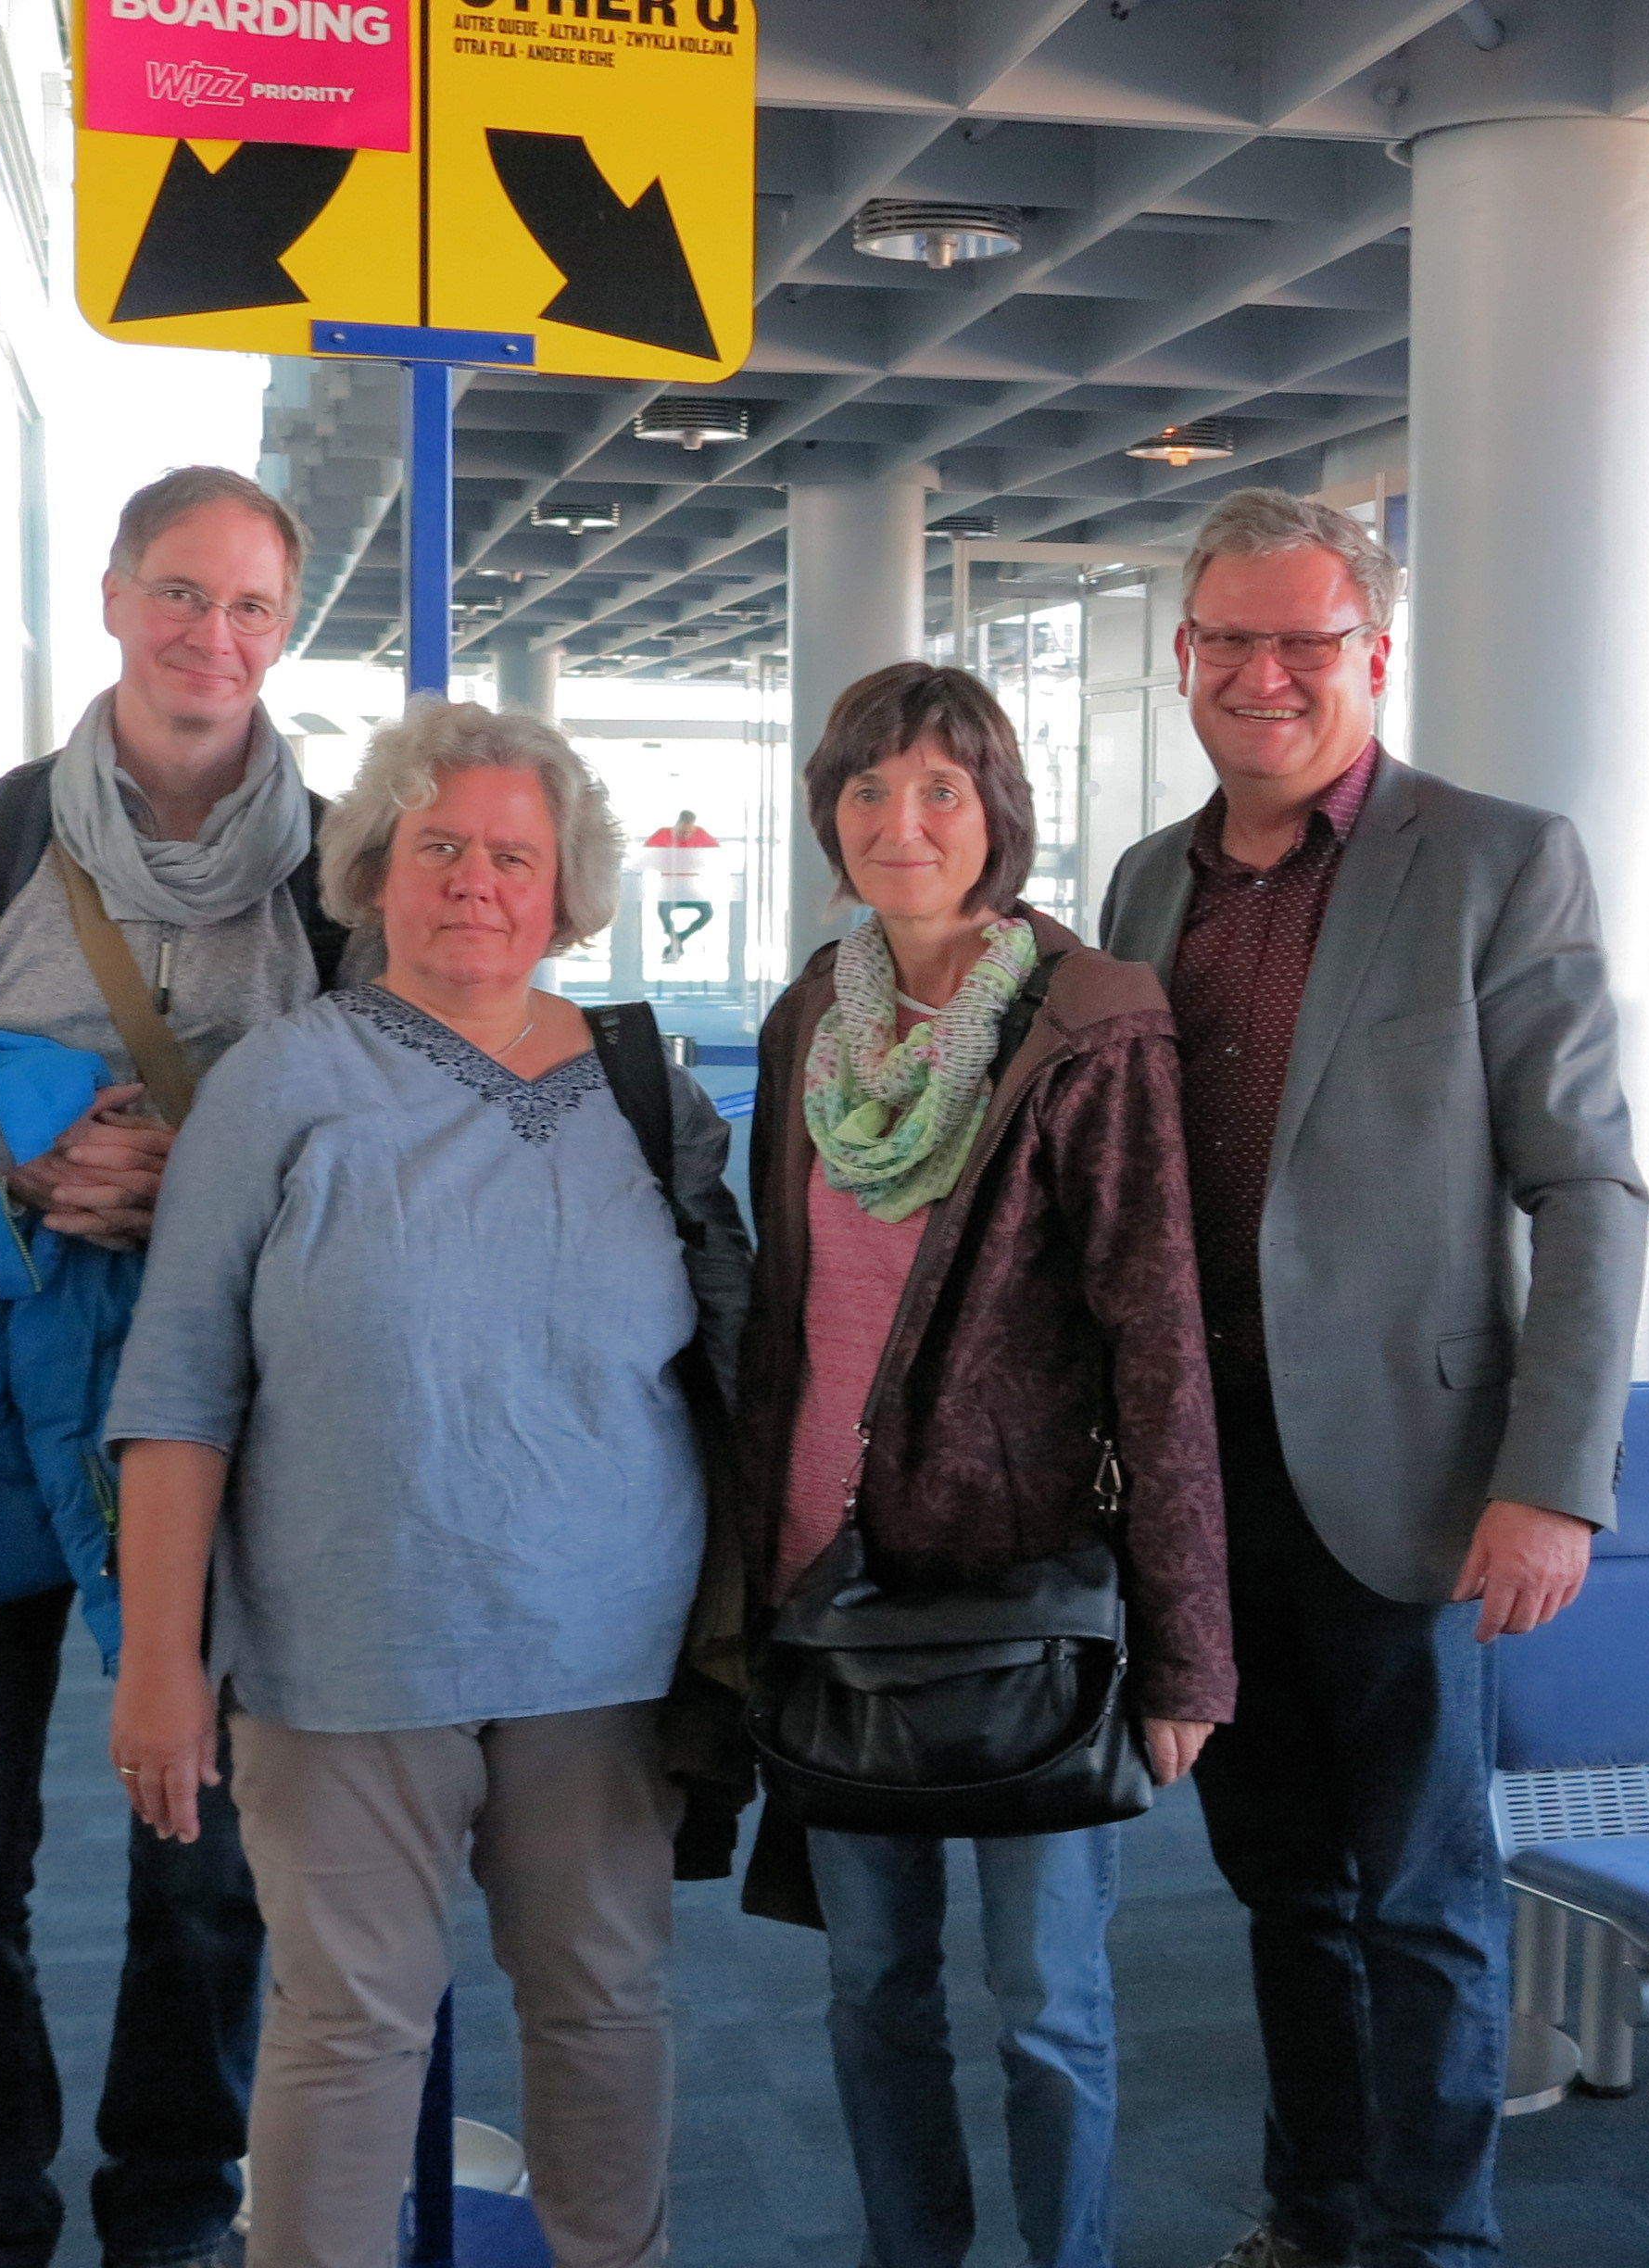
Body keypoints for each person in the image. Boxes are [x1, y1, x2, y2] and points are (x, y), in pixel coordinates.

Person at [100, 699, 747, 2268]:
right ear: (373, 871)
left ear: (566, 887)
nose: (474, 880)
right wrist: (160, 1661)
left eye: (513, 855)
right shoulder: (278, 1083)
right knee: (347, 2028)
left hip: (603, 1654)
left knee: (606, 2006)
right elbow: (178, 1388)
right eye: (437, 845)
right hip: (346, 1656)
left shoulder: (645, 1092)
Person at [1098, 489, 1649, 2268]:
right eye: (1229, 641)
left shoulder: (1495, 858)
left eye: (1304, 642)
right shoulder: (1148, 881)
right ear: (1184, 654)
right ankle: (1314, 2213)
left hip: (1412, 1478)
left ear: (1373, 655)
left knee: (1420, 1900)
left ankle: (1431, 2242)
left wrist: (1550, 1478)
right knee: (1280, 1887)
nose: (1262, 675)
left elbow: (1588, 1186)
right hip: (1204, 1480)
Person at [0, 464, 340, 2268]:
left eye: (251, 605)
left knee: (206, 1860)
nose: (213, 634)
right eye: (182, 593)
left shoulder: (338, 867)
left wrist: (204, 1176)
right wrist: (32, 1157)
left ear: (284, 630)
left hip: (221, 1419)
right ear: (119, 598)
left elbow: (378, 1129)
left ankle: (172, 2207)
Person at [737, 662, 1230, 2268]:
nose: (903, 822)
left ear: (998, 812)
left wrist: (1187, 1648)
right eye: (868, 788)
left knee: (1045, 2004)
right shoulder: (811, 1023)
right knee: (870, 1984)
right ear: (829, 814)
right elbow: (780, 1313)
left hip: (1031, 1600)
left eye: (940, 788)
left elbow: (1159, 1343)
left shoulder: (1090, 1023)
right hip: (831, 1583)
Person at [646, 808, 722, 964]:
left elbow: (716, 854)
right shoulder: (663, 834)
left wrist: (699, 860)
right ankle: (675, 942)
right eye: (682, 832)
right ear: (677, 825)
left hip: (690, 884)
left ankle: (678, 940)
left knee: (707, 912)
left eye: (689, 832)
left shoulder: (700, 833)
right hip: (669, 884)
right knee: (663, 912)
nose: (685, 836)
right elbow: (647, 855)